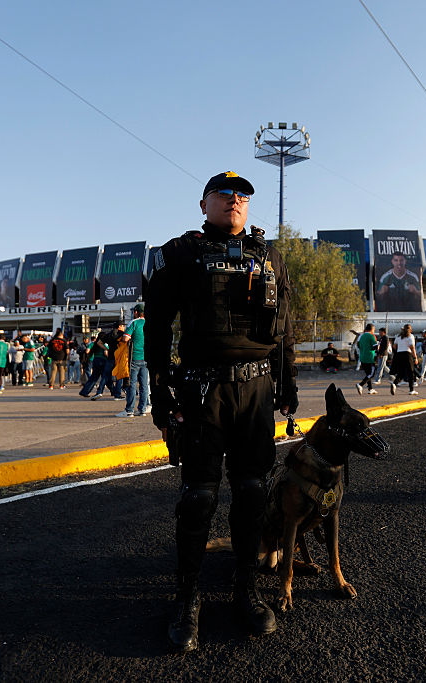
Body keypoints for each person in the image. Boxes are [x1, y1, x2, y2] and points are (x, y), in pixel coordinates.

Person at [144, 171, 296, 651]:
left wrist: (288, 382)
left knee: (253, 492)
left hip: (255, 393)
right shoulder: (179, 253)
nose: (235, 200)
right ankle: (187, 599)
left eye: (243, 196)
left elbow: (285, 328)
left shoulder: (269, 256)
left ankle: (245, 590)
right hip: (200, 391)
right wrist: (160, 390)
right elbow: (156, 326)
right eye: (224, 194)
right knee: (198, 498)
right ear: (204, 203)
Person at [118, 303, 150, 417]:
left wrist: (122, 338)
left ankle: (129, 410)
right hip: (146, 358)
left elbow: (126, 338)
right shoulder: (149, 323)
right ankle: (142, 409)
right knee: (144, 385)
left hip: (134, 358)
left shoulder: (134, 323)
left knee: (131, 384)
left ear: (136, 312)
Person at [390, 323, 419, 395]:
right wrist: (415, 357)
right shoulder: (410, 336)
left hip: (399, 354)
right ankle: (411, 390)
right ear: (410, 330)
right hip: (407, 354)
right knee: (410, 372)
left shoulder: (399, 336)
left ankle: (394, 383)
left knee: (401, 373)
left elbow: (394, 346)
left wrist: (399, 348)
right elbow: (412, 347)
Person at [355, 323, 378, 395]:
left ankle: (370, 389)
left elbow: (358, 345)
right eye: (374, 330)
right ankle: (360, 384)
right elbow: (375, 347)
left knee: (368, 373)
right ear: (372, 329)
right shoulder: (371, 336)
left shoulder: (361, 336)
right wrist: (378, 345)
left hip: (362, 357)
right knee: (372, 373)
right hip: (369, 357)